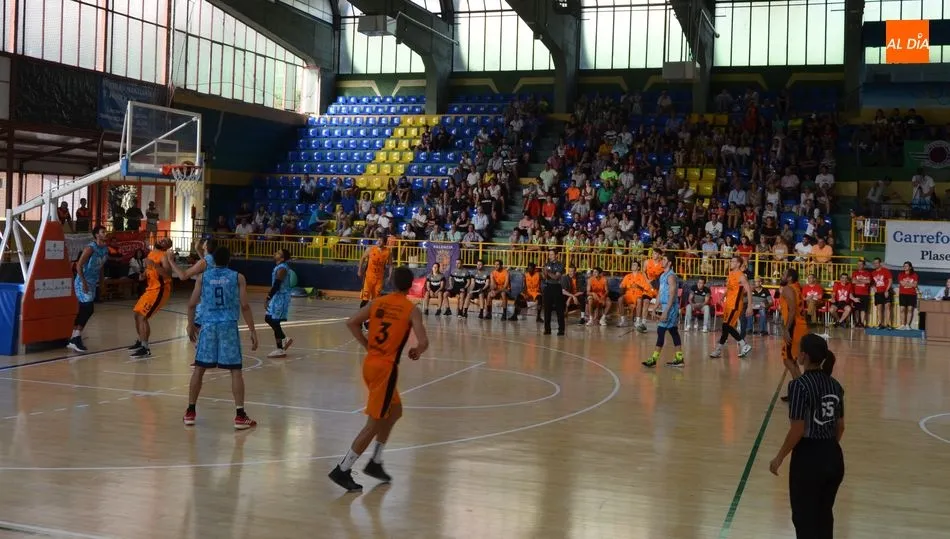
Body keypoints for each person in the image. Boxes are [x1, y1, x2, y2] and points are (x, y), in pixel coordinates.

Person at [329, 266, 429, 491]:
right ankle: (342, 469)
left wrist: (366, 345)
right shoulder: (411, 310)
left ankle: (375, 462)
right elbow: (423, 342)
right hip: (386, 369)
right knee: (373, 424)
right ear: (411, 285)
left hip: (370, 364)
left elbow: (351, 322)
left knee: (394, 412)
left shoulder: (378, 302)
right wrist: (417, 351)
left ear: (392, 283)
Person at [769, 333, 845, 539]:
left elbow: (798, 429)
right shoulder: (835, 386)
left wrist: (779, 458)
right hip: (834, 457)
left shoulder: (798, 386)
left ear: (803, 356)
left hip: (809, 459)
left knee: (804, 519)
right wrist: (829, 448)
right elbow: (840, 426)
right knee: (824, 515)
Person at [183, 246, 259, 429]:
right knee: (235, 371)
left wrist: (190, 324)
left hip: (208, 326)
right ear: (229, 259)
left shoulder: (202, 278)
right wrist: (252, 330)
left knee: (199, 370)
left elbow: (192, 304)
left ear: (213, 260)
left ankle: (190, 412)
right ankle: (240, 415)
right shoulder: (237, 277)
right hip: (228, 328)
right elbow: (245, 306)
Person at [128, 239, 174, 358]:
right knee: (136, 314)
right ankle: (140, 340)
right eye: (163, 239)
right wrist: (144, 275)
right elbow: (150, 270)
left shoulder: (163, 256)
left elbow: (168, 274)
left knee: (143, 317)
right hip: (150, 288)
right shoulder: (151, 253)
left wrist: (155, 265)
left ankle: (145, 347)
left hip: (160, 290)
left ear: (167, 247)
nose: (162, 240)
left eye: (166, 242)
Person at [67, 226, 109, 353]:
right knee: (88, 308)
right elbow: (79, 265)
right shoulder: (90, 248)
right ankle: (76, 337)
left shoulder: (105, 249)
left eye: (105, 231)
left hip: (93, 281)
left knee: (85, 310)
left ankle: (74, 338)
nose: (105, 233)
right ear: (96, 235)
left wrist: (102, 283)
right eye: (103, 232)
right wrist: (84, 282)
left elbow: (101, 267)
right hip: (82, 281)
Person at [643, 253, 684, 368]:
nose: (662, 261)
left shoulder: (671, 276)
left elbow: (672, 294)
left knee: (661, 330)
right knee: (673, 331)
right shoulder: (662, 275)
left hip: (670, 307)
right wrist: (655, 307)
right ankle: (679, 358)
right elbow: (660, 293)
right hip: (665, 305)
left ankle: (654, 359)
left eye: (664, 259)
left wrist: (666, 311)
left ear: (669, 263)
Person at [710, 256, 753, 358]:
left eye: (733, 261)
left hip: (735, 305)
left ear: (738, 264)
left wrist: (749, 306)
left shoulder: (741, 276)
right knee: (726, 327)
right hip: (728, 304)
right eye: (731, 261)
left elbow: (749, 290)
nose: (731, 263)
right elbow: (729, 288)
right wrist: (723, 297)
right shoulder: (731, 274)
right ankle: (719, 350)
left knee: (727, 326)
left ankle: (743, 344)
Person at [779, 268, 809, 402]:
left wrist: (786, 329)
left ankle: (802, 392)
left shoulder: (788, 289)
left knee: (788, 360)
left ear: (790, 278)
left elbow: (792, 311)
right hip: (800, 326)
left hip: (794, 327)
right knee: (792, 361)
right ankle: (799, 391)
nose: (782, 275)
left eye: (784, 274)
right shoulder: (797, 287)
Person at [265, 249, 294, 357]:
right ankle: (284, 339)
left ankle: (280, 349)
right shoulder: (278, 267)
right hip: (276, 297)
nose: (275, 253)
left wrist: (268, 297)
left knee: (275, 320)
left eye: (278, 253)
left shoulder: (282, 268)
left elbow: (277, 284)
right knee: (268, 318)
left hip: (281, 297)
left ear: (282, 258)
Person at [358, 236, 393, 311]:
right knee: (365, 299)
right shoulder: (370, 249)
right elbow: (362, 258)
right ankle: (360, 316)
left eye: (381, 240)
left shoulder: (387, 252)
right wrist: (360, 270)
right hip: (368, 277)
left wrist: (390, 276)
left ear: (384, 242)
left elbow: (390, 265)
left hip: (379, 279)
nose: (379, 242)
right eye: (378, 240)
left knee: (376, 300)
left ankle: (371, 318)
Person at [617, 260, 653, 332]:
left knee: (639, 300)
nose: (632, 266)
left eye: (634, 265)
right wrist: (621, 286)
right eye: (632, 265)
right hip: (629, 295)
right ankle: (623, 320)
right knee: (620, 299)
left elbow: (646, 287)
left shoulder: (642, 276)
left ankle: (637, 320)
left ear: (638, 267)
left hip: (638, 295)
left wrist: (639, 286)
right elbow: (622, 285)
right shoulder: (627, 276)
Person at [542, 249, 565, 335]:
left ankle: (561, 329)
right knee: (547, 309)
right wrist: (544, 272)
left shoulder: (560, 264)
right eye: (549, 254)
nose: (550, 256)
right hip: (548, 287)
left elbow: (556, 277)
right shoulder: (547, 264)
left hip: (556, 287)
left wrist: (548, 272)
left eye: (551, 254)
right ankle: (547, 329)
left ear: (556, 255)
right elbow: (545, 277)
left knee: (559, 309)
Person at [870, 257, 892, 329]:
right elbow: (871, 282)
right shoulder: (873, 273)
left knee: (887, 307)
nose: (875, 264)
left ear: (880, 263)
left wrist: (887, 290)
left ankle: (888, 324)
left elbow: (890, 281)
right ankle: (880, 323)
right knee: (879, 308)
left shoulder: (886, 271)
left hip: (886, 291)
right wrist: (873, 286)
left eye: (877, 263)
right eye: (874, 263)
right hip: (878, 293)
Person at [897, 261, 919, 330]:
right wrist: (910, 284)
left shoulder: (915, 275)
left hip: (912, 294)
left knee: (910, 309)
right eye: (904, 266)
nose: (905, 267)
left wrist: (906, 283)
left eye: (906, 266)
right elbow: (902, 284)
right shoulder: (900, 274)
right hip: (903, 293)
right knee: (902, 309)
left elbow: (915, 285)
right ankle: (902, 324)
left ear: (910, 267)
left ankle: (907, 325)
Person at [849, 260, 872, 328]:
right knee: (856, 309)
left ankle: (862, 322)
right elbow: (853, 281)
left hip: (865, 294)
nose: (859, 266)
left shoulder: (867, 273)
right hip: (856, 293)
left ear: (864, 265)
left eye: (861, 264)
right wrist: (863, 281)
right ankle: (856, 322)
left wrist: (858, 281)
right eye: (858, 264)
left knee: (863, 309)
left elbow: (868, 281)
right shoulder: (855, 273)